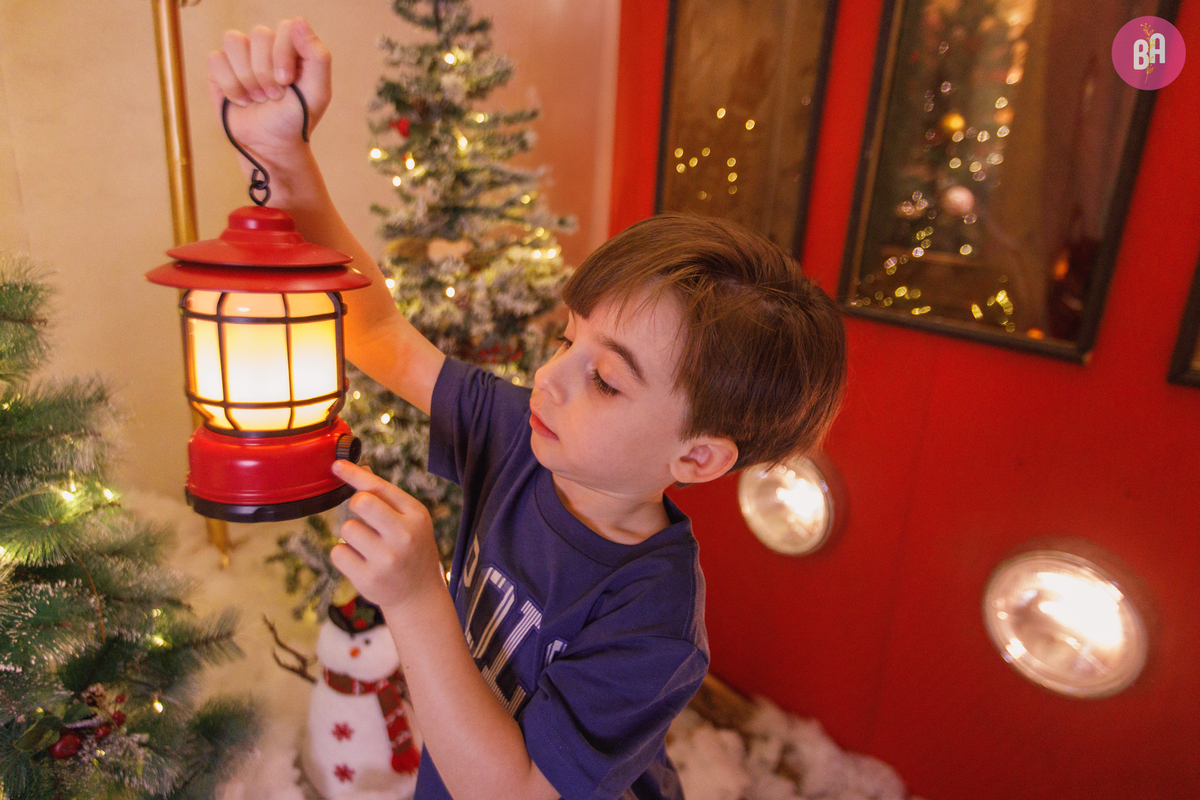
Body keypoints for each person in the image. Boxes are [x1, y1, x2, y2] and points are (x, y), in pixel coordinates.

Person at [207, 18, 847, 800]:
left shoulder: (651, 620)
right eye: (565, 339)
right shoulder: (520, 434)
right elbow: (374, 328)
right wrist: (284, 153)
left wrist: (415, 598)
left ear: (697, 457)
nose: (550, 379)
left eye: (606, 380)